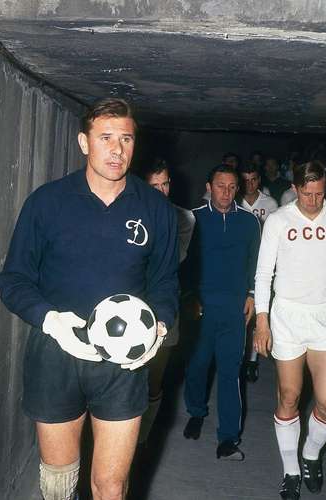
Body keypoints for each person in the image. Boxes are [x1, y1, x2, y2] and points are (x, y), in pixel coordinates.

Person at [0, 98, 179, 500]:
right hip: (55, 355)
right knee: (59, 482)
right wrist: (51, 321)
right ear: (84, 142)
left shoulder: (157, 211)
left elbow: (165, 283)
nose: (117, 150)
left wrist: (159, 327)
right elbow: (13, 280)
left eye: (126, 139)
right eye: (106, 138)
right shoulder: (46, 203)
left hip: (122, 361)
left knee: (110, 486)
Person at [254, 161, 326, 499]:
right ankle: (291, 469)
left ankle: (311, 454)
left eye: (320, 194)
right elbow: (264, 273)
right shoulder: (278, 220)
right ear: (295, 187)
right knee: (289, 396)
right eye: (307, 194)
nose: (314, 200)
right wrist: (262, 320)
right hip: (287, 316)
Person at [183, 164, 261, 460]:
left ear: (237, 189)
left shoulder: (250, 222)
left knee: (231, 372)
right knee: (198, 365)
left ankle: (228, 437)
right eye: (220, 186)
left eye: (231, 187)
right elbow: (183, 264)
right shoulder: (193, 219)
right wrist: (190, 297)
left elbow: (257, 263)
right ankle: (196, 411)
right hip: (201, 305)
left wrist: (253, 294)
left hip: (235, 308)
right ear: (208, 187)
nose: (226, 193)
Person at [141, 159, 195, 444]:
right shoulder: (127, 212)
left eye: (165, 184)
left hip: (163, 310)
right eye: (154, 186)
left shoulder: (183, 218)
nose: (162, 192)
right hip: (128, 308)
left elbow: (172, 259)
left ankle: (141, 443)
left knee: (153, 383)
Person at [239, 163, 278, 382]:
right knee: (241, 311)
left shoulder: (270, 203)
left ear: (259, 181)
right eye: (245, 180)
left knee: (258, 311)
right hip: (240, 262)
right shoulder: (235, 201)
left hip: (263, 263)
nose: (249, 184)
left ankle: (252, 359)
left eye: (253, 179)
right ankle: (239, 355)